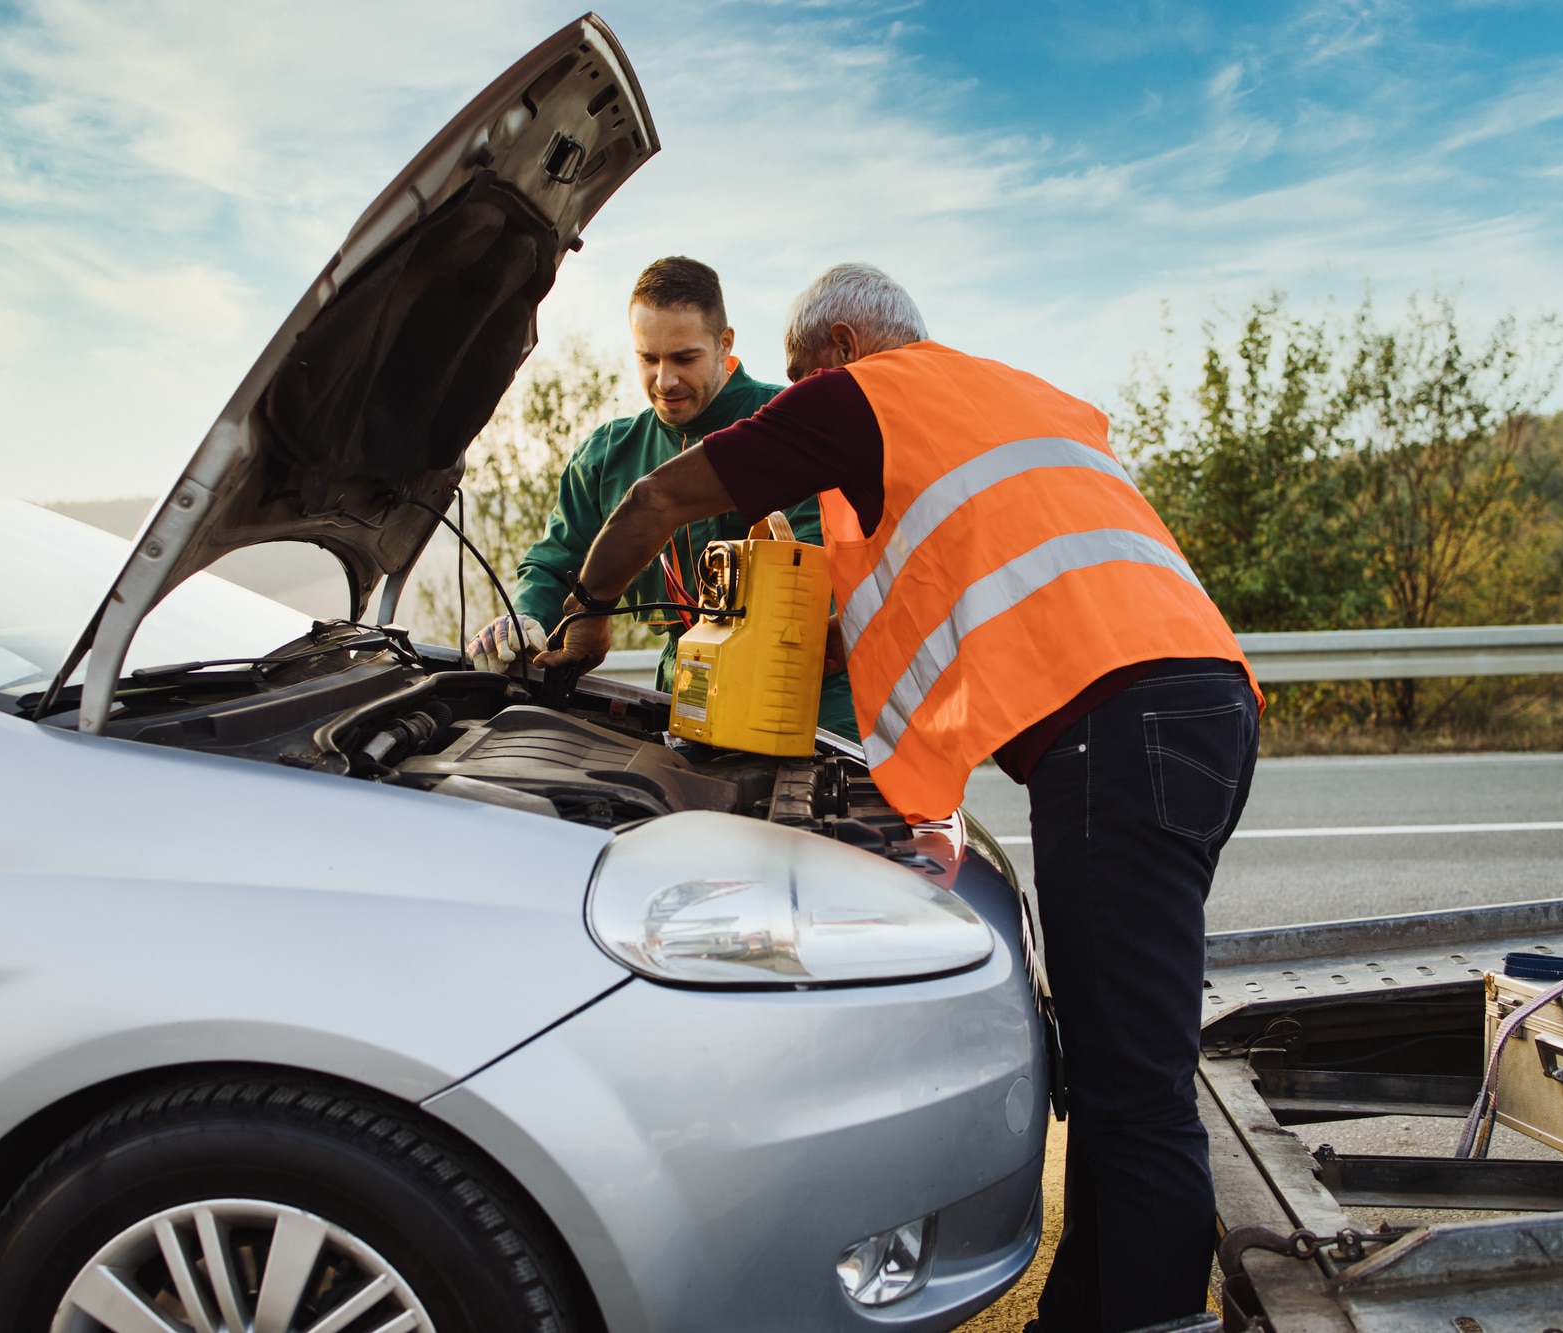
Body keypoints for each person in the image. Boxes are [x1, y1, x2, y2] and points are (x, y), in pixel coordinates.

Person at [539, 263, 1262, 1332]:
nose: (790, 401)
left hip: (1123, 731)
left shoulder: (858, 398)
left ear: (834, 347)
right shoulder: (1010, 398)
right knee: (1113, 1073)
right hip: (1190, 714)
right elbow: (930, 589)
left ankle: (1160, 1318)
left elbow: (655, 498)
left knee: (1140, 1091)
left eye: (793, 376)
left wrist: (589, 610)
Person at [464, 255, 858, 741]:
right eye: (648, 359)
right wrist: (526, 616)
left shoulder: (789, 424)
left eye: (684, 358)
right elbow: (554, 561)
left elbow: (818, 562)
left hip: (811, 692)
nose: (665, 380)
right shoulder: (606, 454)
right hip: (684, 688)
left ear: (724, 343)